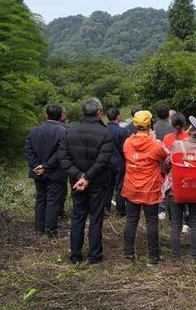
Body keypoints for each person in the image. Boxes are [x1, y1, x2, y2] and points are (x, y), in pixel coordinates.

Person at [58, 98, 114, 264]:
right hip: (97, 181)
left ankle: (75, 255)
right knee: (96, 217)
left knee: (77, 216)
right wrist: (87, 177)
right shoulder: (105, 133)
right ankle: (95, 255)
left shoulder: (69, 131)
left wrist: (79, 176)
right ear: (99, 112)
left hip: (76, 182)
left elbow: (63, 157)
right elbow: (103, 161)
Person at [121, 110, 168, 265]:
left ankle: (128, 255)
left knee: (131, 220)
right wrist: (155, 140)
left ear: (135, 125)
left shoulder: (127, 143)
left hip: (131, 187)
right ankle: (153, 257)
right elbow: (167, 157)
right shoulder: (155, 145)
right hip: (150, 189)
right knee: (151, 221)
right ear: (149, 124)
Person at [168, 116, 196, 262]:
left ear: (192, 131)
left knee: (175, 224)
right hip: (195, 190)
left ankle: (176, 258)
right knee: (195, 222)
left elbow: (167, 164)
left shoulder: (177, 145)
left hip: (177, 189)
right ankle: (194, 257)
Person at [25, 104, 68, 238]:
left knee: (41, 198)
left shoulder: (34, 131)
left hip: (38, 172)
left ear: (46, 115)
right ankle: (51, 230)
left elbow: (28, 150)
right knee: (53, 200)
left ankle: (39, 228)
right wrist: (46, 166)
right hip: (55, 171)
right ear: (62, 115)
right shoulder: (62, 131)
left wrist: (37, 165)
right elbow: (60, 152)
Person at [106, 107, 129, 217]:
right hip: (119, 162)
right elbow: (125, 149)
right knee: (120, 187)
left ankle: (105, 209)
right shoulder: (122, 131)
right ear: (118, 116)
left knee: (107, 186)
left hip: (105, 163)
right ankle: (120, 211)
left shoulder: (103, 130)